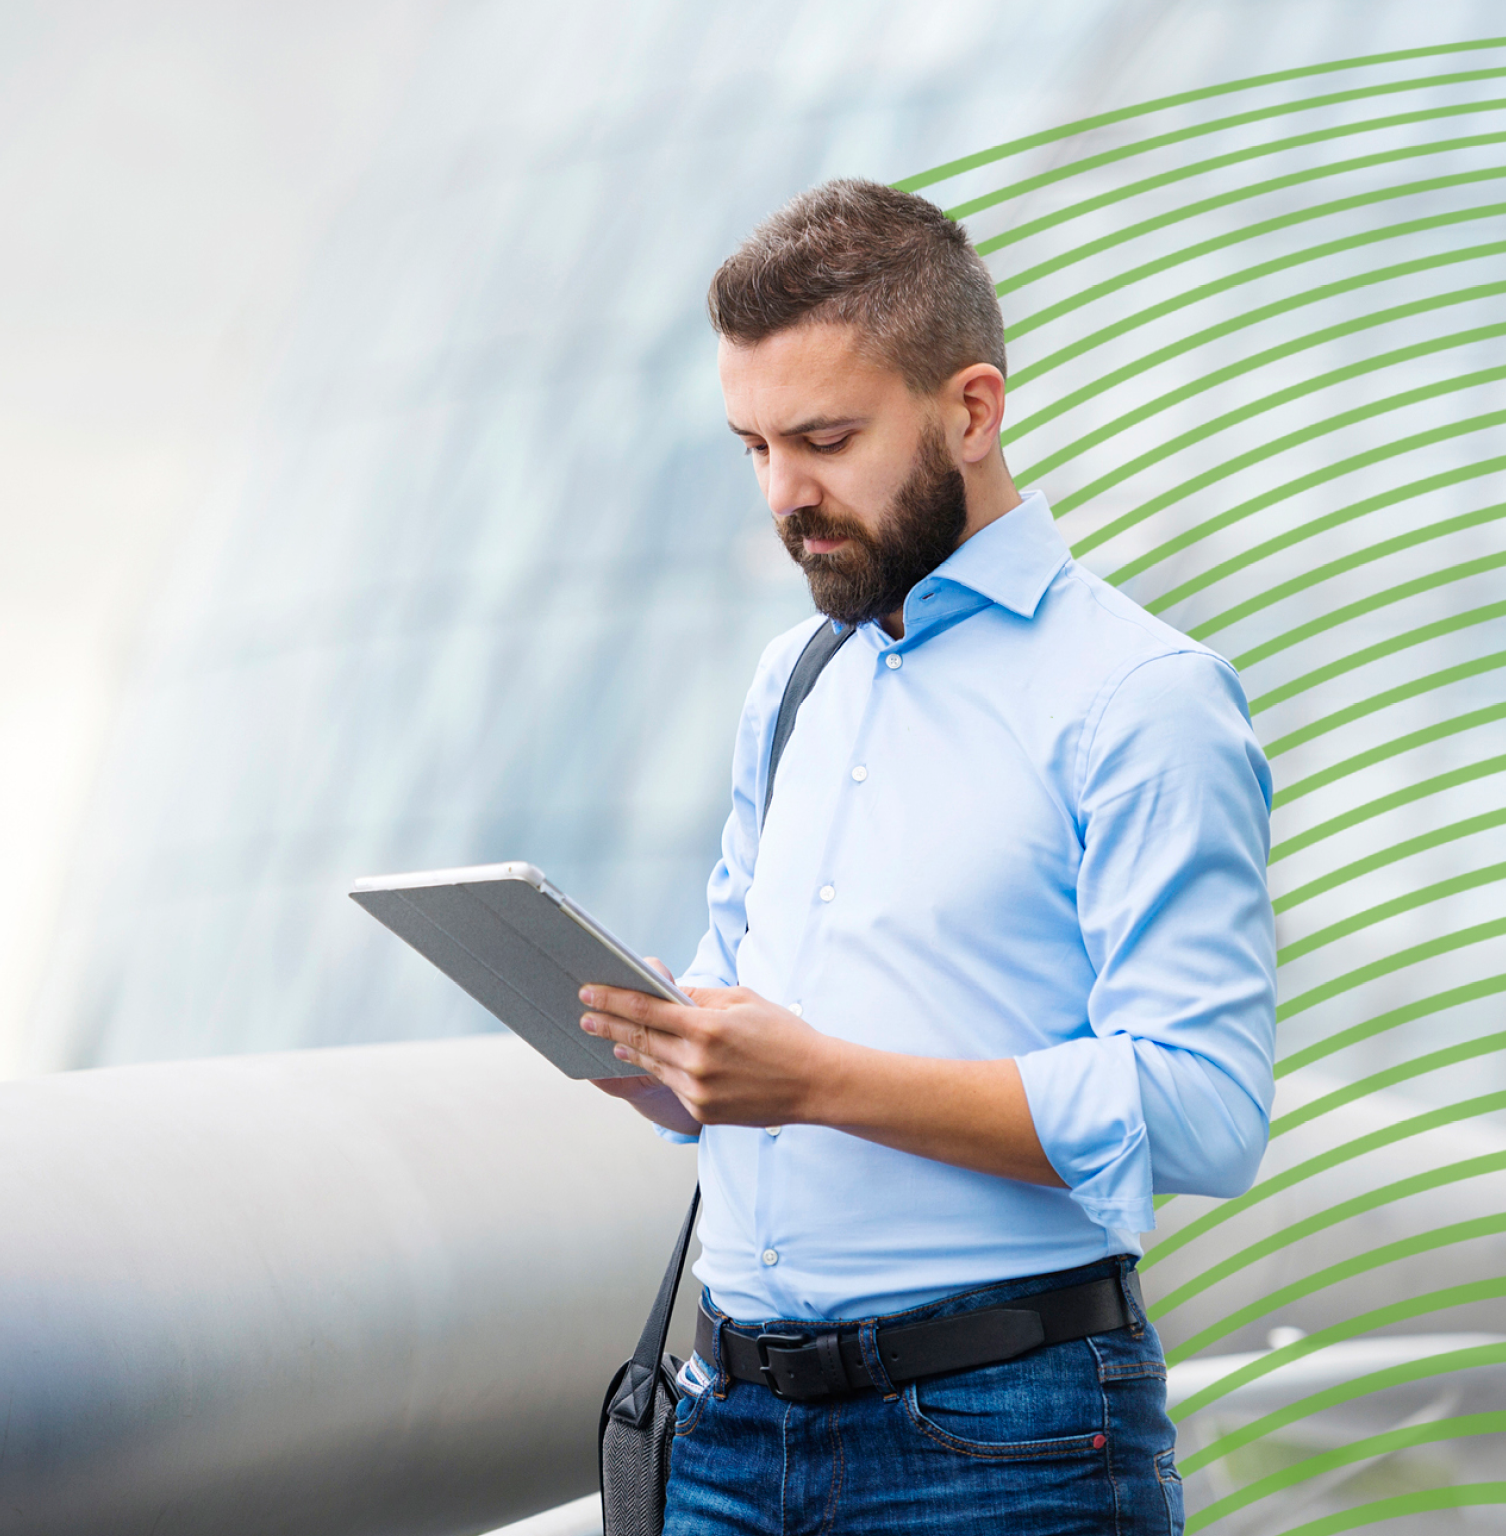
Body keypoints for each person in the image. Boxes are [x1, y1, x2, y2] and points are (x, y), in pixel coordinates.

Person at [576, 179, 1275, 1533]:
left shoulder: (1141, 698)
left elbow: (1204, 1107)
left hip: (1002, 1446)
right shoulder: (794, 680)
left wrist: (820, 1082)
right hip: (727, 1427)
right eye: (754, 447)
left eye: (826, 439)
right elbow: (756, 1011)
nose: (786, 494)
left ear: (970, 408)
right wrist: (673, 1065)